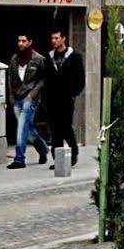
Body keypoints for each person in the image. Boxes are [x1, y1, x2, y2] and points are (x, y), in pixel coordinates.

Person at [5, 33, 49, 168]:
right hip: (17, 98)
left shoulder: (38, 59)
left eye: (24, 41)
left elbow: (43, 79)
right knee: (27, 129)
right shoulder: (14, 59)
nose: (21, 44)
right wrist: (11, 98)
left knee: (22, 126)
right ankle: (43, 148)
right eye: (19, 41)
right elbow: (10, 80)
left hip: (30, 99)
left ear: (30, 42)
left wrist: (32, 94)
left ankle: (19, 159)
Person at [45, 27, 86, 167]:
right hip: (52, 100)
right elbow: (46, 79)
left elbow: (80, 79)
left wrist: (73, 94)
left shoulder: (74, 56)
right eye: (52, 38)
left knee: (65, 127)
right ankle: (58, 160)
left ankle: (73, 153)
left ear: (64, 39)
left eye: (56, 38)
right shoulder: (50, 57)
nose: (54, 41)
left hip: (67, 99)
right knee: (55, 129)